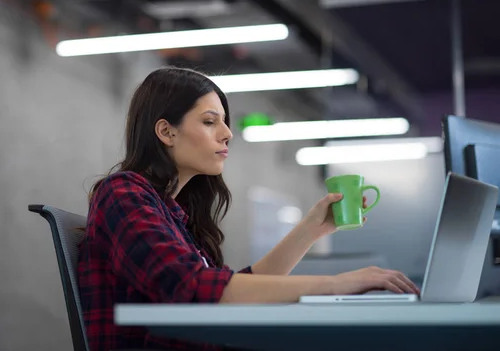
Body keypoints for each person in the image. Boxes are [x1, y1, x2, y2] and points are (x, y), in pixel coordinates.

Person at [77, 67, 419, 351]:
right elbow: (193, 289)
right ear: (166, 131)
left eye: (224, 122)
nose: (227, 134)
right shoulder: (122, 193)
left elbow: (232, 291)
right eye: (210, 122)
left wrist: (313, 229)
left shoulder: (173, 213)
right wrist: (335, 284)